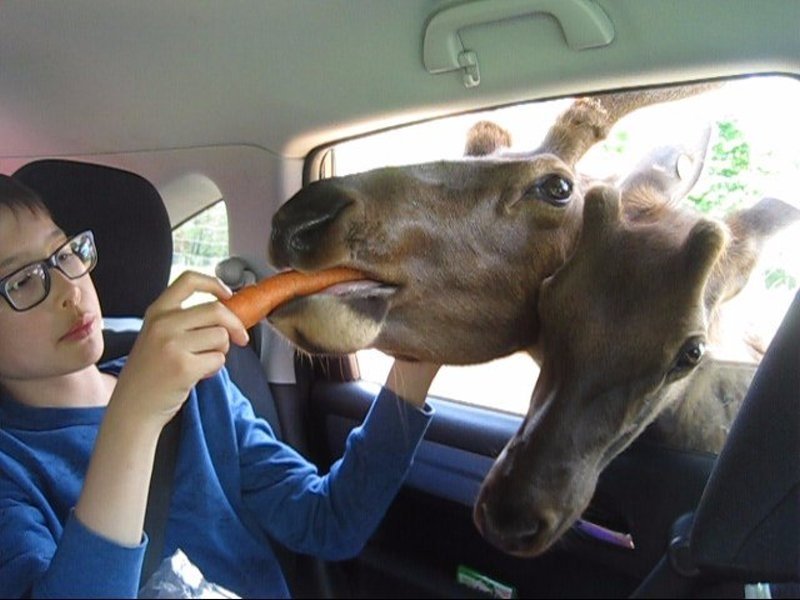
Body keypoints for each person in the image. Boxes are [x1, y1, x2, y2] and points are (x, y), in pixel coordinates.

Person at [0, 174, 439, 598]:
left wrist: (414, 364)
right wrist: (136, 414)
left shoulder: (198, 385)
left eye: (65, 253)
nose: (69, 290)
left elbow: (329, 521)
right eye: (22, 280)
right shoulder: (11, 471)